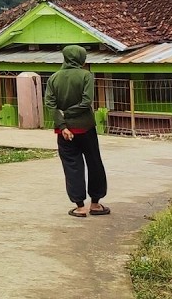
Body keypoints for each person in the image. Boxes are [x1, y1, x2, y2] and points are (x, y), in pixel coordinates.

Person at [44, 44, 110, 218]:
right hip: (86, 128)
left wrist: (63, 124)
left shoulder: (54, 78)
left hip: (64, 132)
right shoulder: (86, 76)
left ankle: (80, 207)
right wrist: (71, 113)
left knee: (72, 167)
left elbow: (50, 104)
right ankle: (95, 204)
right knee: (94, 163)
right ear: (81, 59)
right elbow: (87, 101)